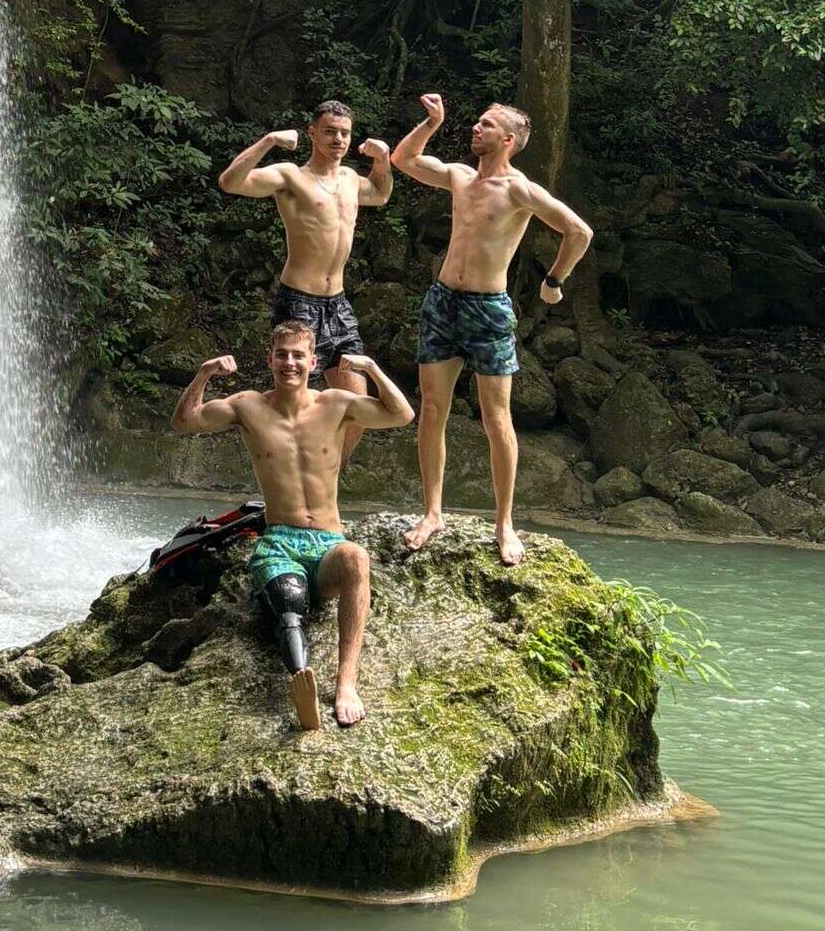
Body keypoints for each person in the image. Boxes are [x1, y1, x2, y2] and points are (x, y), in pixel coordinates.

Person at [171, 321, 414, 729]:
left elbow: (402, 415)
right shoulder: (248, 406)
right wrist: (205, 373)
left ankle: (346, 684)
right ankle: (301, 687)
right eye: (282, 354)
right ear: (269, 359)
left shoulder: (336, 404)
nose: (289, 362)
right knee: (289, 601)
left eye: (298, 355)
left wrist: (370, 369)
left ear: (313, 362)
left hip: (328, 541)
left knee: (356, 558)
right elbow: (185, 422)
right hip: (280, 539)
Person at [390, 93, 593, 567]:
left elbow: (579, 232)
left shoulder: (520, 190)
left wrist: (553, 282)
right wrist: (432, 121)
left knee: (496, 418)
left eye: (484, 124)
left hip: (488, 308)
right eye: (475, 122)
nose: (474, 128)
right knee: (433, 408)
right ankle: (432, 513)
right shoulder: (460, 177)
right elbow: (404, 159)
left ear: (507, 140)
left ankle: (505, 524)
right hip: (443, 302)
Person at [218, 101, 393, 467]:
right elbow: (230, 182)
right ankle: (289, 482)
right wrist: (268, 141)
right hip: (299, 301)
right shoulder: (290, 176)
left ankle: (329, 479)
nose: (338, 139)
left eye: (344, 133)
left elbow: (379, 193)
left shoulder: (348, 180)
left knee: (358, 402)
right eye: (330, 131)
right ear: (312, 132)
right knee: (296, 403)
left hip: (338, 304)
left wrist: (383, 159)